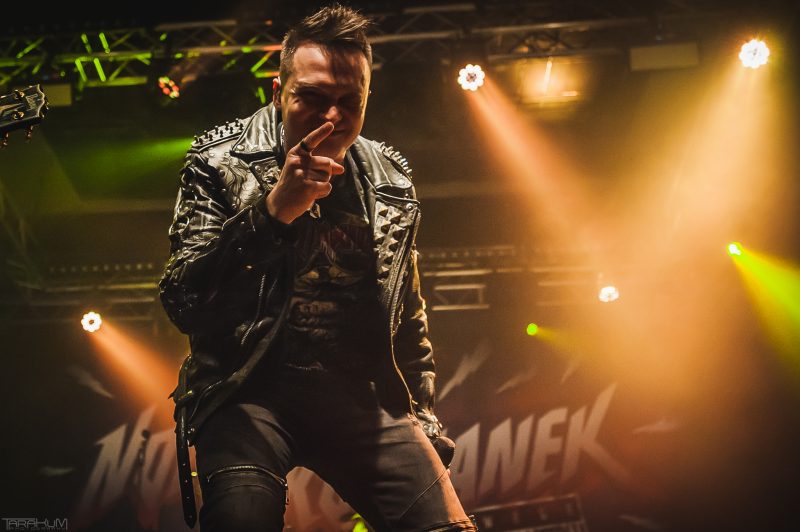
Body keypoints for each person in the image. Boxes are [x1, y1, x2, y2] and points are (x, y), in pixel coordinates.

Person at [160, 4, 476, 531]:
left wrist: (421, 418)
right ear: (278, 90)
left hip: (363, 397)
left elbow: (408, 315)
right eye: (311, 97)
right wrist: (272, 214)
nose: (331, 117)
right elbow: (183, 301)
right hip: (248, 393)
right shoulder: (217, 162)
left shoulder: (391, 179)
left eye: (349, 102)